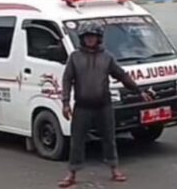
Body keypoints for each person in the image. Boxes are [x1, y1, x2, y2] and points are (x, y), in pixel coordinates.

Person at [58, 21, 152, 188]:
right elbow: (67, 80)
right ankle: (72, 173)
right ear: (82, 38)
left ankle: (114, 169)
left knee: (109, 138)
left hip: (104, 105)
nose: (90, 40)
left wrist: (139, 91)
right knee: (77, 141)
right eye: (87, 37)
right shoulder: (75, 57)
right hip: (82, 106)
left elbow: (122, 76)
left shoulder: (107, 57)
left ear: (98, 38)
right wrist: (65, 102)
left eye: (93, 36)